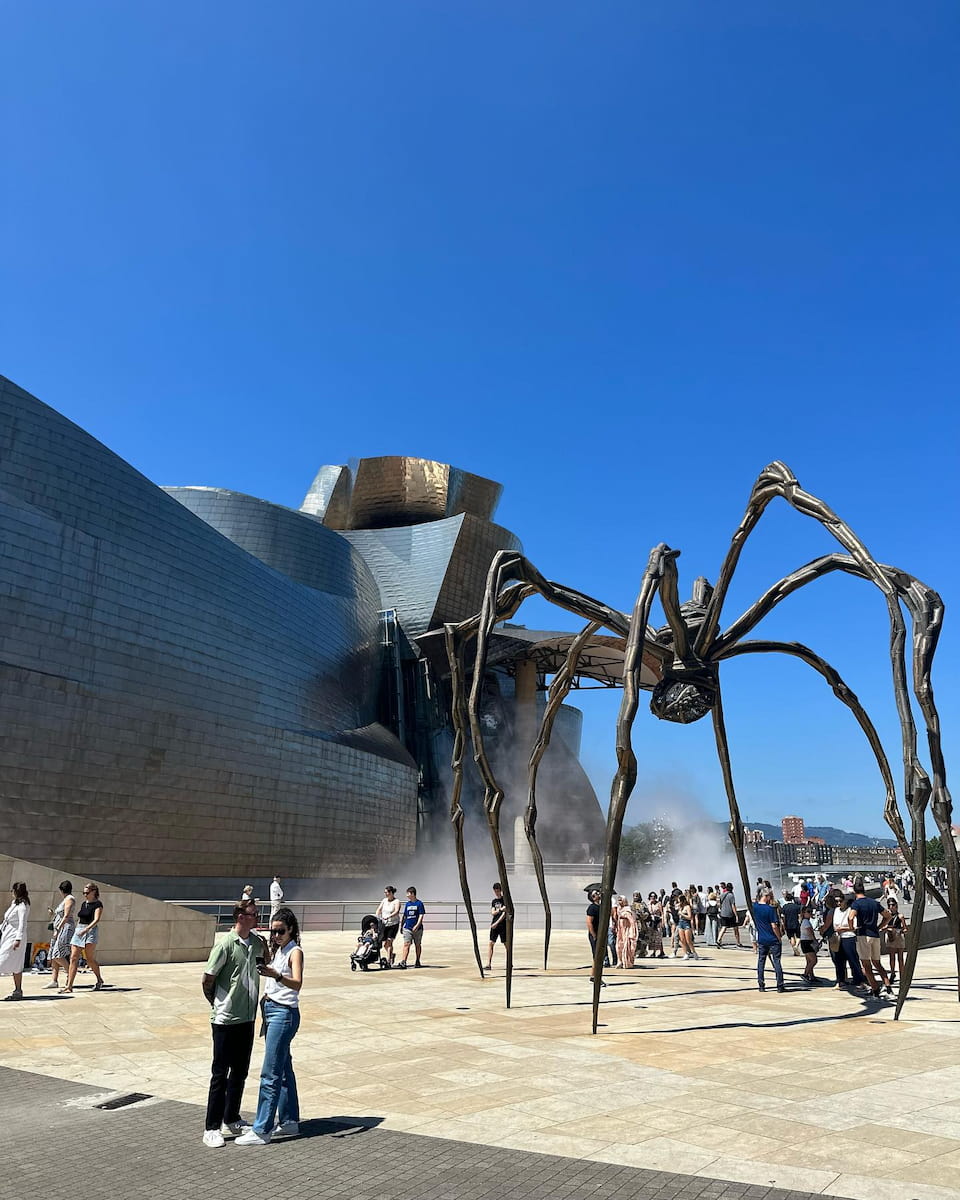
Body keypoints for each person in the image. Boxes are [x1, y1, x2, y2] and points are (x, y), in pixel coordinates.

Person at [201, 900, 267, 1147]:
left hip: (247, 1017)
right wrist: (219, 1005)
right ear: (240, 916)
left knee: (240, 1072)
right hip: (225, 1020)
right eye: (252, 915)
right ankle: (211, 1126)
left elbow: (266, 963)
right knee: (220, 1074)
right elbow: (208, 979)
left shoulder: (256, 944)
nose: (256, 918)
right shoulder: (226, 945)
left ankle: (232, 1117)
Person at [236, 907, 303, 1146]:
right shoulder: (278, 950)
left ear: (291, 929)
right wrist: (267, 952)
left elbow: (297, 984)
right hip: (272, 1011)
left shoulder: (295, 951)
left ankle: (262, 1129)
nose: (276, 935)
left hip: (283, 1014)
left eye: (281, 931)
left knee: (270, 1073)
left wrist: (275, 975)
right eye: (273, 931)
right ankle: (289, 1120)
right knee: (283, 1069)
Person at [852, 877, 892, 997]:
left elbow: (850, 916)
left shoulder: (856, 903)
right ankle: (888, 985)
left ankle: (875, 988)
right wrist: (880, 926)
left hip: (863, 935)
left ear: (855, 891)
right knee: (877, 963)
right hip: (875, 935)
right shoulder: (874, 902)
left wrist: (852, 927)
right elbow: (888, 915)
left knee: (866, 964)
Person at [63, 883, 104, 993]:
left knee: (89, 959)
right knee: (73, 958)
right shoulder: (83, 904)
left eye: (87, 892)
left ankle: (99, 979)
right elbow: (80, 918)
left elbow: (96, 920)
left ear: (94, 892)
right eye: (84, 893)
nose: (85, 895)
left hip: (90, 930)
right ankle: (69, 986)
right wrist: (78, 930)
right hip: (79, 929)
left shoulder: (98, 904)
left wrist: (86, 930)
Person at [0, 882, 30, 1001]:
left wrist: (18, 939)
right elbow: (7, 920)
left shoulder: (23, 905)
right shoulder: (15, 903)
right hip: (7, 935)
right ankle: (18, 990)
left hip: (15, 937)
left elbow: (22, 924)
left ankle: (18, 990)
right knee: (16, 965)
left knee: (3, 960)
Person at [832, 891, 867, 989]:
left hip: (849, 937)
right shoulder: (836, 910)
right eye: (837, 901)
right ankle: (841, 980)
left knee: (853, 960)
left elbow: (854, 926)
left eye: (840, 901)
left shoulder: (850, 910)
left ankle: (859, 980)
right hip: (839, 938)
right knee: (839, 960)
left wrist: (843, 929)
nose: (839, 903)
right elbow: (835, 924)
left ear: (845, 901)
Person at [46, 880, 76, 990]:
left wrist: (58, 929)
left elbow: (67, 916)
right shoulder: (65, 900)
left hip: (64, 929)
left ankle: (70, 973)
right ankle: (54, 980)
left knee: (57, 954)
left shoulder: (69, 899)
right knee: (53, 954)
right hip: (59, 928)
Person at [753, 889, 785, 992]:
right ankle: (780, 985)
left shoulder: (755, 907)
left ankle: (761, 984)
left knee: (761, 961)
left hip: (762, 939)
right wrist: (779, 937)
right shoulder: (770, 909)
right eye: (770, 896)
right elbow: (774, 926)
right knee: (777, 962)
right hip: (772, 939)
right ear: (766, 896)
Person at [396, 886, 425, 968]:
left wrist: (417, 925)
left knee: (417, 944)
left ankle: (418, 960)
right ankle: (403, 961)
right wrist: (402, 926)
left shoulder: (419, 903)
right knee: (406, 944)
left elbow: (421, 915)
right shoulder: (407, 904)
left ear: (412, 894)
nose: (407, 895)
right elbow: (405, 916)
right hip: (407, 927)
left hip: (417, 929)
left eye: (408, 893)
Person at [375, 885, 401, 966]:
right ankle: (392, 955)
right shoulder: (384, 900)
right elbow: (379, 909)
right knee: (385, 944)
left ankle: (389, 960)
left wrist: (389, 916)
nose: (385, 894)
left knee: (389, 942)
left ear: (391, 893)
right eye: (385, 892)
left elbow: (396, 911)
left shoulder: (396, 901)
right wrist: (377, 916)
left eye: (387, 892)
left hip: (393, 924)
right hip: (384, 924)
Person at [884, 898, 908, 984]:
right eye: (889, 905)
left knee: (900, 958)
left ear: (896, 906)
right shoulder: (887, 915)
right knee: (892, 957)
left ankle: (903, 976)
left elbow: (905, 928)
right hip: (890, 936)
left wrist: (900, 931)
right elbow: (884, 925)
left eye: (893, 905)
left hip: (898, 936)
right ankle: (892, 973)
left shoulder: (900, 916)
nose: (891, 907)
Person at [486, 882, 507, 971]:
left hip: (502, 925)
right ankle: (488, 964)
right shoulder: (494, 901)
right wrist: (499, 910)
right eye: (495, 891)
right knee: (491, 943)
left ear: (500, 890)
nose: (496, 892)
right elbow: (492, 912)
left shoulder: (504, 900)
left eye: (498, 891)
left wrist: (497, 922)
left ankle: (509, 962)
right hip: (494, 924)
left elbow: (505, 913)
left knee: (506, 944)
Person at [614, 895, 638, 968]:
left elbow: (632, 921)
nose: (619, 902)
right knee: (618, 946)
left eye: (621, 900)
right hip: (620, 931)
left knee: (626, 947)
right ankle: (620, 961)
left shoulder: (627, 910)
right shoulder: (619, 909)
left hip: (626, 930)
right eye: (618, 900)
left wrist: (632, 931)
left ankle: (627, 962)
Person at [798, 906, 819, 984]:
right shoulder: (806, 922)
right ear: (804, 913)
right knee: (814, 960)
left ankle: (812, 976)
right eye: (808, 912)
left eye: (810, 911)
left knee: (809, 961)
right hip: (807, 942)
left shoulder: (805, 921)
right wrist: (815, 941)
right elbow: (810, 933)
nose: (810, 913)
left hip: (805, 942)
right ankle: (805, 974)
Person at [780, 891, 802, 956]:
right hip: (796, 922)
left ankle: (794, 948)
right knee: (799, 936)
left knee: (791, 937)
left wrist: (783, 924)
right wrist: (800, 921)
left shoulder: (784, 907)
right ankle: (796, 946)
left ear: (786, 899)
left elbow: (783, 917)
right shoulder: (797, 906)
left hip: (788, 923)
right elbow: (800, 915)